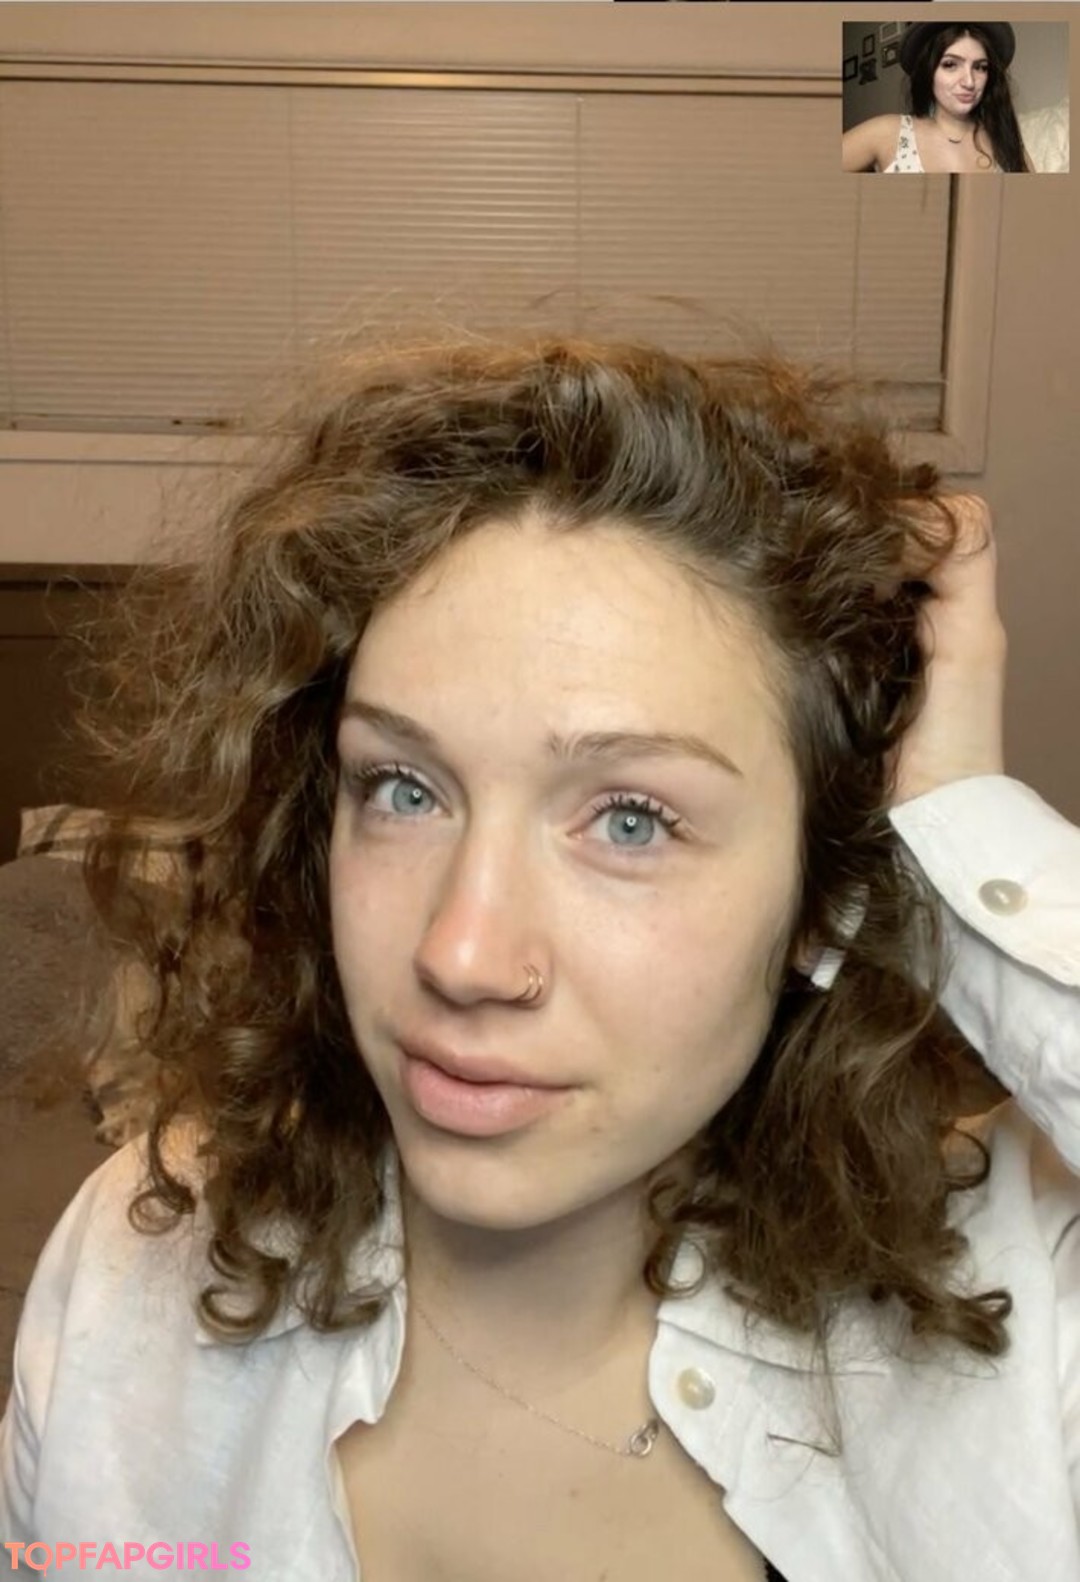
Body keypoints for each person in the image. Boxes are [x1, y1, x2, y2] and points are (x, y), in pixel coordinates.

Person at [1, 335, 1078, 1580]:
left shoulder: (1023, 1326)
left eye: (631, 820)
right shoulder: (137, 1257)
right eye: (403, 788)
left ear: (821, 907)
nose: (462, 954)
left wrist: (963, 821)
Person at [842, 22, 1032, 174]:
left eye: (980, 67)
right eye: (950, 65)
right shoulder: (886, 132)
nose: (969, 82)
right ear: (928, 71)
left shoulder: (1004, 139)